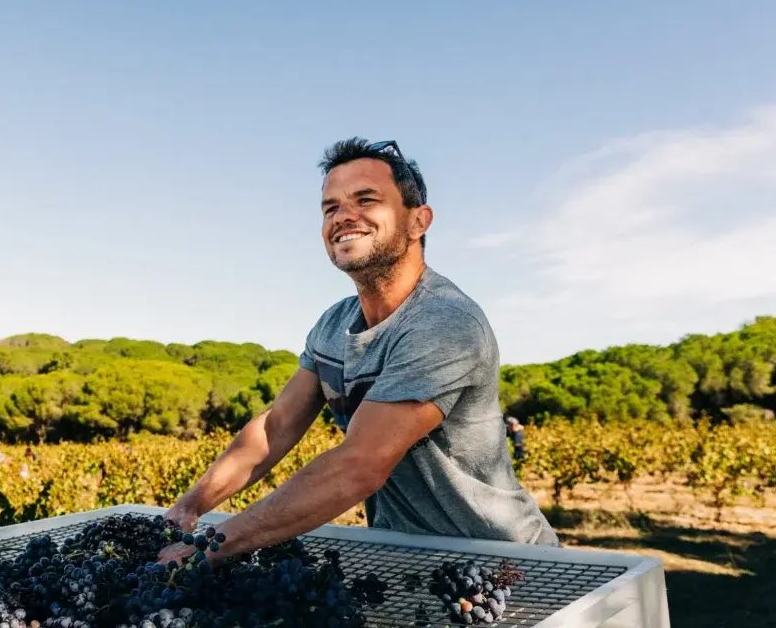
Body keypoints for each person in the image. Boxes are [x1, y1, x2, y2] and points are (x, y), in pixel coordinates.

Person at [159, 137, 558, 565]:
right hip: (407, 558)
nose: (344, 216)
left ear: (418, 221)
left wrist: (212, 547)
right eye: (330, 208)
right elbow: (275, 428)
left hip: (505, 565)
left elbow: (360, 464)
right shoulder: (332, 326)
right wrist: (191, 505)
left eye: (366, 200)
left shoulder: (443, 322)